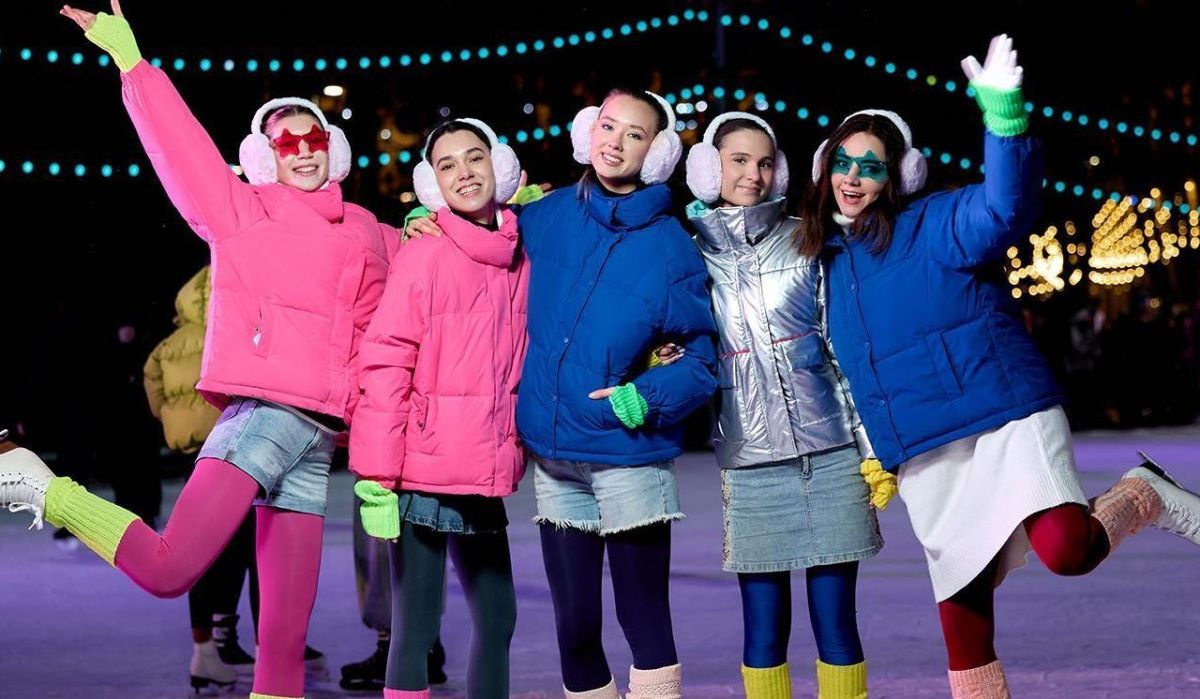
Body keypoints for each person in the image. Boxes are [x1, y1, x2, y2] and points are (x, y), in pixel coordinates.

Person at [0, 4, 401, 698]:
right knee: (168, 568)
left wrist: (489, 213)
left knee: (283, 636)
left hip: (316, 441)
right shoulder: (243, 210)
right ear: (264, 156)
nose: (302, 150)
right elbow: (180, 148)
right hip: (260, 419)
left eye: (313, 137)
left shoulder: (370, 231)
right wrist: (134, 65)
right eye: (285, 142)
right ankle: (40, 486)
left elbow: (434, 278)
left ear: (332, 147)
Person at [798, 34, 1200, 698]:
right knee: (963, 617)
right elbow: (851, 371)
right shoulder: (824, 264)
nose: (853, 177)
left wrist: (1004, 120)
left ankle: (1143, 493)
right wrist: (875, 449)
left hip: (1002, 413)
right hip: (925, 451)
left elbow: (1004, 207)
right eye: (842, 161)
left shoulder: (935, 222)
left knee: (1067, 549)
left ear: (897, 176)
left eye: (871, 166)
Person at [406, 88, 719, 698]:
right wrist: (428, 222)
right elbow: (479, 240)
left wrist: (645, 397)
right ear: (586, 132)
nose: (616, 142)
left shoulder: (671, 246)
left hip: (628, 457)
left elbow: (700, 355)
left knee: (643, 619)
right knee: (574, 631)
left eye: (635, 134)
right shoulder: (543, 219)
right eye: (609, 126)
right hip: (555, 459)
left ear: (656, 153)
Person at [683, 112, 887, 698]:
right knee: (764, 630)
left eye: (765, 163)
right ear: (708, 168)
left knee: (837, 623)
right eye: (739, 161)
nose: (754, 174)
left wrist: (871, 450)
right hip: (750, 462)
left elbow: (844, 353)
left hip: (832, 456)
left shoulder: (808, 239)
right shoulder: (687, 255)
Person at [351, 118, 530, 699]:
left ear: (499, 165)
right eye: (447, 165)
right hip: (423, 470)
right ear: (433, 183)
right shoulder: (424, 254)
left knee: (498, 619)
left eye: (475, 157)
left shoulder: (521, 253)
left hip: (483, 466)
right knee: (415, 630)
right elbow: (385, 360)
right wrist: (378, 476)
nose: (464, 173)